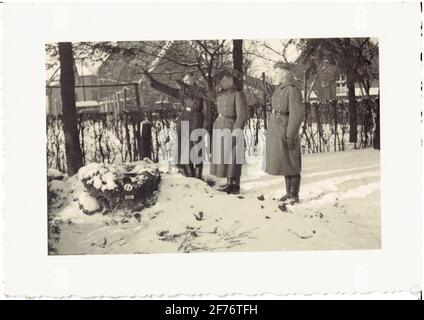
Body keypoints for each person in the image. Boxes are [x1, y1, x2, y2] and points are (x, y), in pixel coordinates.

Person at [143, 70, 211, 179]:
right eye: (184, 80)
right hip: (184, 120)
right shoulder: (181, 92)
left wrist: (205, 126)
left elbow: (207, 112)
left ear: (194, 79)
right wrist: (152, 80)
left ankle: (198, 176)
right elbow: (166, 89)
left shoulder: (201, 92)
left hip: (196, 120)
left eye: (188, 80)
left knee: (196, 148)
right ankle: (190, 176)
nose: (186, 82)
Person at [265, 61, 305, 204]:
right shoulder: (280, 89)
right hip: (278, 128)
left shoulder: (292, 89)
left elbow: (297, 114)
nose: (274, 75)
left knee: (292, 161)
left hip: (287, 129)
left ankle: (294, 195)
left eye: (277, 72)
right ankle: (289, 193)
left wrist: (291, 134)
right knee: (285, 162)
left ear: (284, 73)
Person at [210, 70, 248, 195]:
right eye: (221, 81)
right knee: (225, 156)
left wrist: (236, 131)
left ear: (232, 81)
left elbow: (242, 115)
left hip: (231, 126)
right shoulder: (220, 95)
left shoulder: (238, 94)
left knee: (233, 156)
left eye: (225, 80)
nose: (222, 83)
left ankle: (235, 185)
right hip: (220, 126)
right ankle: (229, 183)